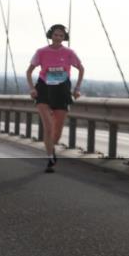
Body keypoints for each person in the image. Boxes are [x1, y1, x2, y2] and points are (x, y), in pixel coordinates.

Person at [26, 24, 84, 172]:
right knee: (48, 127)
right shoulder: (41, 52)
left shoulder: (69, 53)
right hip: (44, 89)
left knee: (57, 131)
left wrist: (77, 88)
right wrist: (32, 88)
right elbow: (29, 72)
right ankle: (50, 157)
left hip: (62, 91)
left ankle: (52, 148)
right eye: (56, 35)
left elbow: (81, 69)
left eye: (61, 36)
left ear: (64, 38)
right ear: (51, 35)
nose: (58, 38)